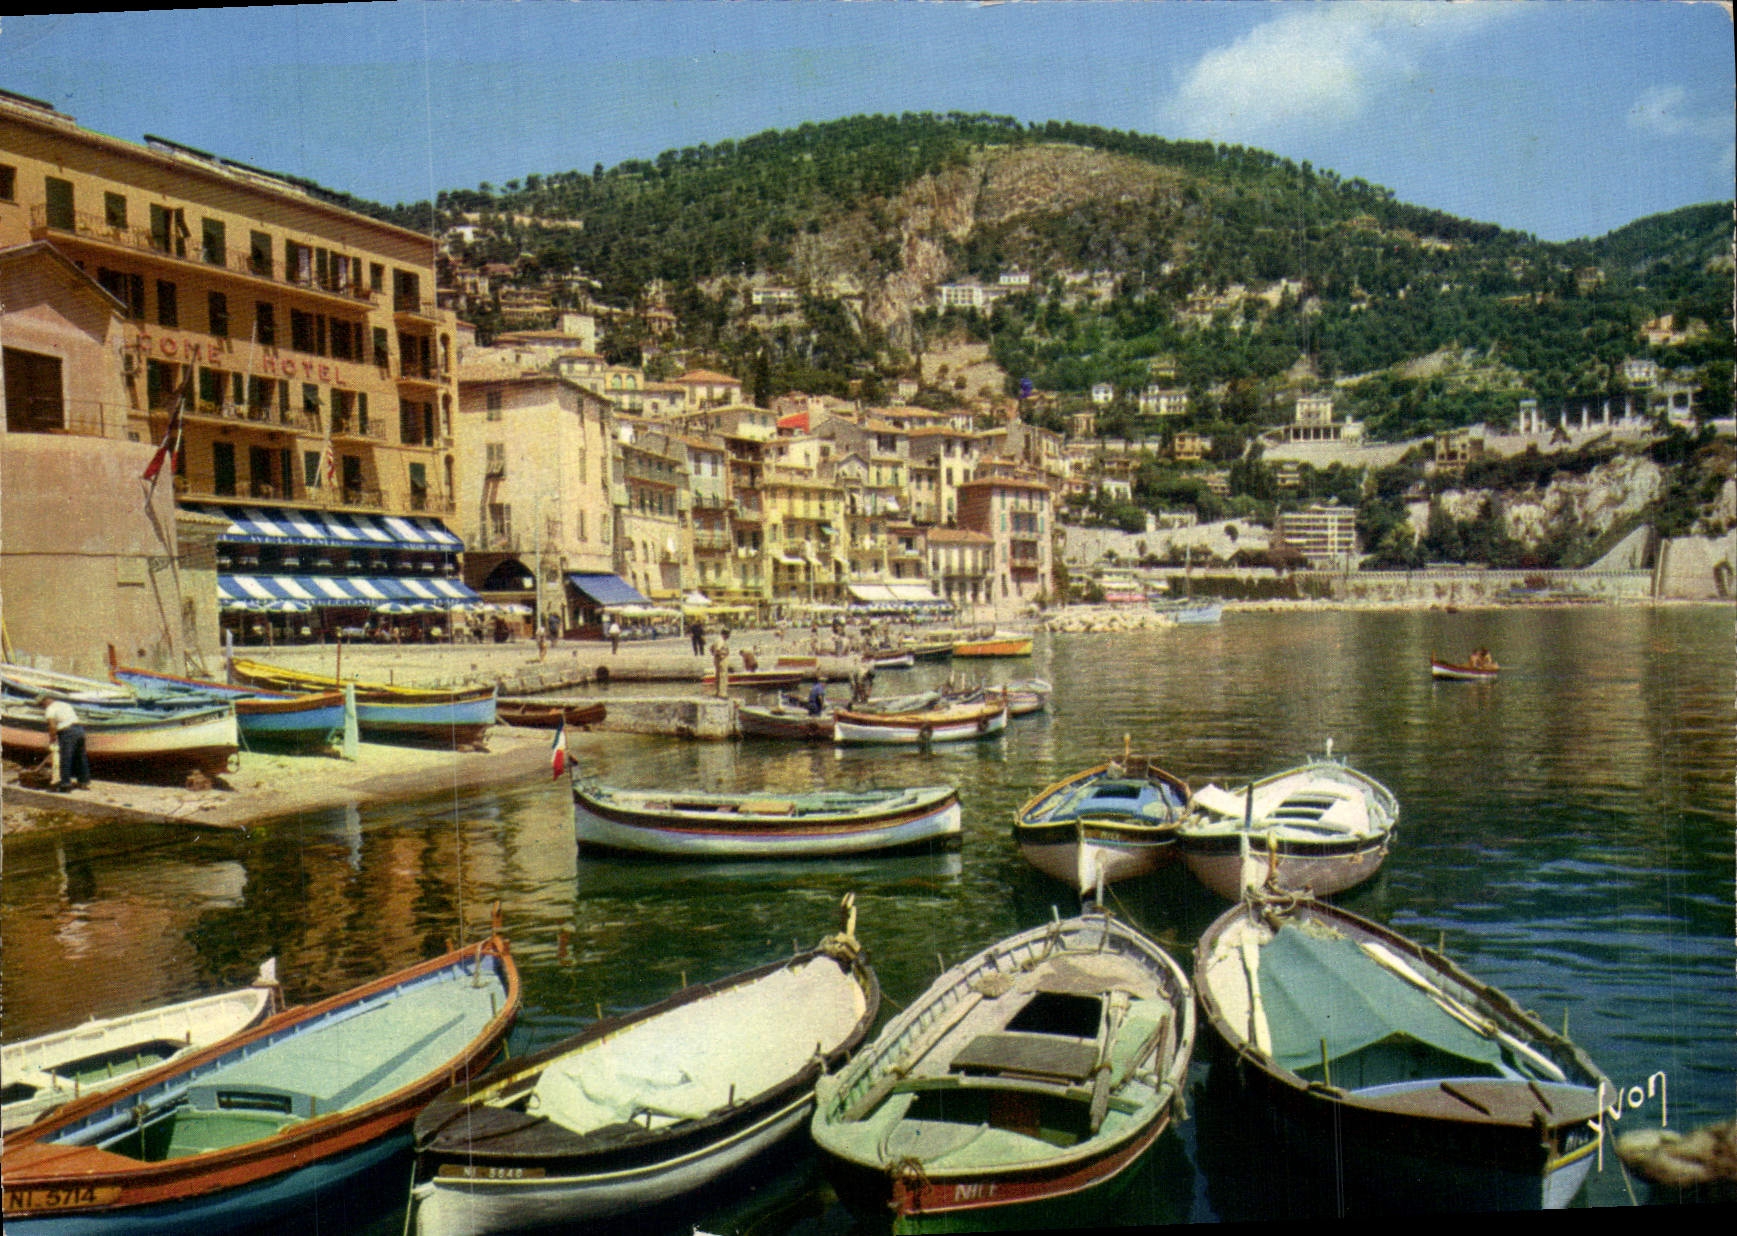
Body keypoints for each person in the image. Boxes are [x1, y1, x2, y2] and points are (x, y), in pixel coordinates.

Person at [37, 694, 89, 792]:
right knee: (81, 757)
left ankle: (65, 785)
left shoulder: (50, 709)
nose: (42, 707)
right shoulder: (64, 704)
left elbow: (52, 726)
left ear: (45, 701)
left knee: (65, 758)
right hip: (80, 730)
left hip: (67, 732)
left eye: (41, 705)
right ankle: (83, 782)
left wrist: (52, 739)